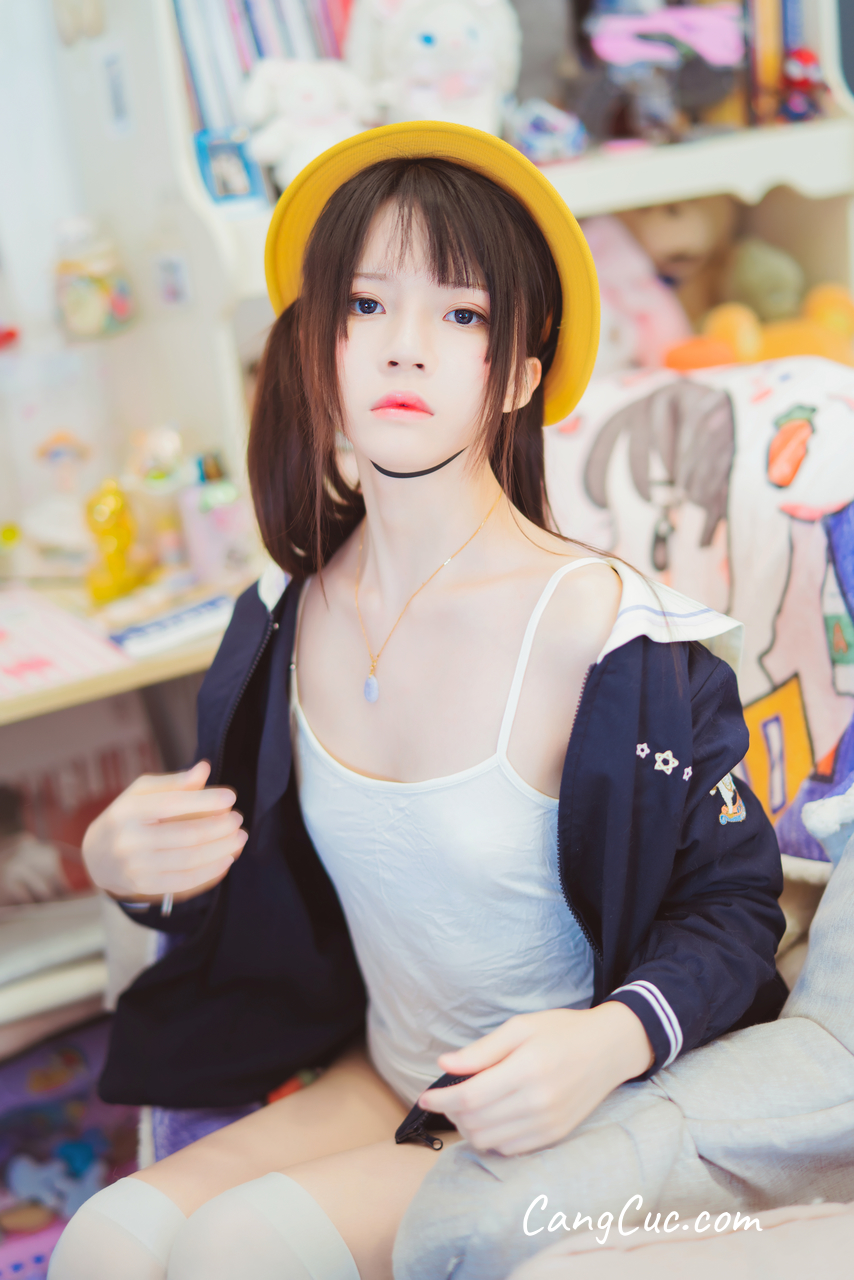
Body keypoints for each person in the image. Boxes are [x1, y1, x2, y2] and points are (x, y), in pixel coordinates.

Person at [48, 123, 785, 1280]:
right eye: (364, 305)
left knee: (236, 1252)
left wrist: (610, 1036)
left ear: (521, 374)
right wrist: (130, 866)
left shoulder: (617, 640)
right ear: (316, 347)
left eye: (461, 314)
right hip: (379, 1071)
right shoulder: (281, 616)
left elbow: (735, 907)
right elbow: (254, 891)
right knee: (103, 1241)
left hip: (563, 1110)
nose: (403, 347)